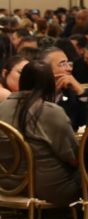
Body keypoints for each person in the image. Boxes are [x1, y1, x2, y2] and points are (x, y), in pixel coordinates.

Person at [0, 62, 80, 206]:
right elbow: (74, 158)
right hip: (49, 189)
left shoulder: (2, 108)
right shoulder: (51, 111)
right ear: (49, 85)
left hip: (7, 185)